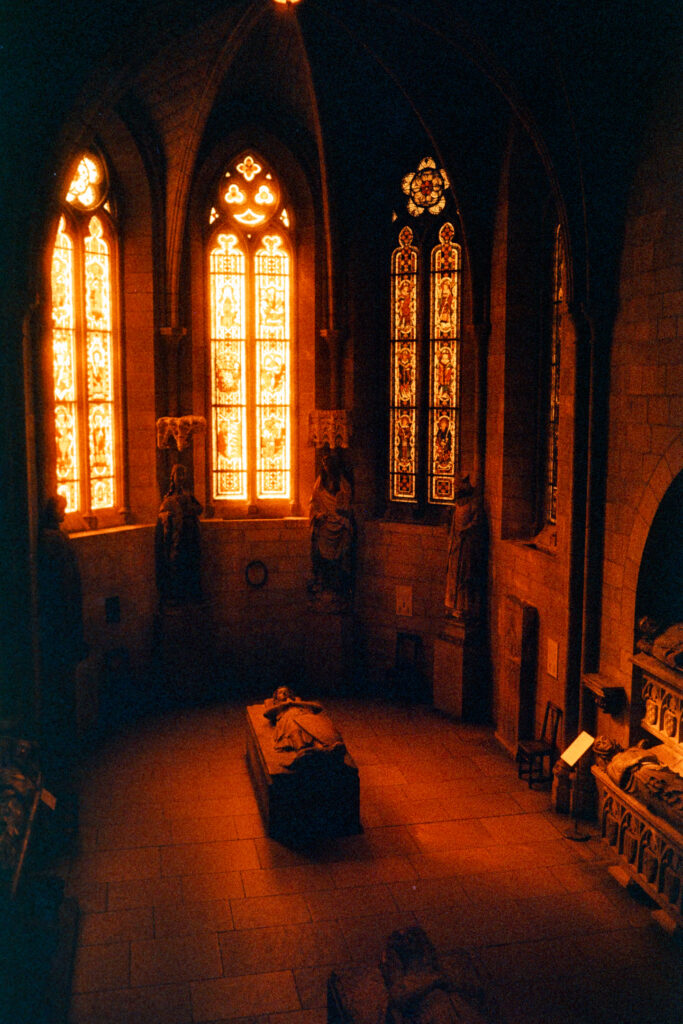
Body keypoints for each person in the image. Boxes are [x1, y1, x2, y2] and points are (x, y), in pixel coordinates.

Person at [308, 448, 355, 599]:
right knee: (321, 558)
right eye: (324, 464)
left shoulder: (343, 485)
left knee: (341, 556)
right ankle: (322, 584)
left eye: (328, 464)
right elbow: (313, 504)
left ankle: (338, 589)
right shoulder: (320, 484)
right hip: (324, 526)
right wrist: (318, 515)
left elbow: (346, 505)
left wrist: (341, 514)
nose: (326, 467)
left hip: (339, 525)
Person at [263, 686, 346, 769]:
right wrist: (285, 705)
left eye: (286, 691)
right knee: (295, 729)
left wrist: (296, 703)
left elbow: (318, 707)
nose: (284, 693)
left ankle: (323, 748)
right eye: (280, 692)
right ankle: (302, 751)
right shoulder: (278, 705)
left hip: (305, 717)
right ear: (276, 697)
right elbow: (267, 714)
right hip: (288, 718)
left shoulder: (298, 703)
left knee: (313, 730)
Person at [155, 463, 203, 605]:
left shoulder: (188, 495)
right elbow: (161, 514)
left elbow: (199, 509)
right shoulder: (168, 498)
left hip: (189, 536)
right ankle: (175, 595)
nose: (181, 478)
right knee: (175, 564)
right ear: (173, 477)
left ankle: (189, 595)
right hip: (175, 537)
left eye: (183, 474)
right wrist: (166, 516)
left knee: (190, 564)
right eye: (178, 474)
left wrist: (188, 510)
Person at [444, 475, 486, 620]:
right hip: (455, 546)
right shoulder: (456, 506)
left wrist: (466, 530)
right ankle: (452, 605)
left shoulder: (474, 506)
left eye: (459, 488)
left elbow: (477, 523)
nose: (457, 491)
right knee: (453, 576)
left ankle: (462, 608)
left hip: (466, 547)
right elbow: (451, 526)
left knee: (464, 577)